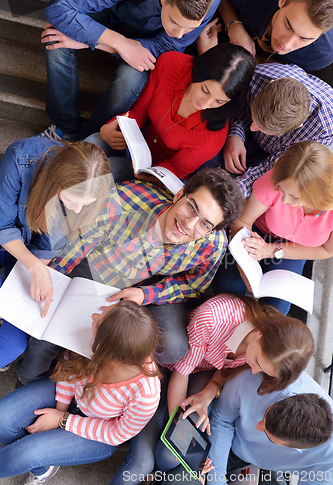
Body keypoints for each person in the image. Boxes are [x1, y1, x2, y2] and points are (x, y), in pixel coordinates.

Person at [15, 167, 244, 386]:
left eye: (204, 224)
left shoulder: (213, 244)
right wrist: (53, 281)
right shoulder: (123, 201)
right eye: (191, 207)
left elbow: (193, 285)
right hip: (104, 266)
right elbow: (80, 243)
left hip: (152, 285)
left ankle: (98, 361)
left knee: (173, 347)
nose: (189, 224)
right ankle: (30, 380)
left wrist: (147, 294)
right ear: (180, 195)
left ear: (212, 230)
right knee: (56, 321)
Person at [121, 293, 314, 480]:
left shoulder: (262, 350)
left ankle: (156, 476)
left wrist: (208, 393)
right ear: (260, 335)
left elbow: (224, 370)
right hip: (162, 368)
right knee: (141, 464)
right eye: (256, 363)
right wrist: (179, 426)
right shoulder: (214, 317)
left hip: (196, 372)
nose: (254, 372)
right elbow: (182, 372)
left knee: (173, 456)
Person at [0, 301, 161, 485]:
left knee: (26, 453)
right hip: (72, 395)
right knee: (2, 419)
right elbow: (69, 372)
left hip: (100, 433)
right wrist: (60, 411)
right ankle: (42, 467)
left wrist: (64, 420)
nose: (93, 318)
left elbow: (116, 434)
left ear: (109, 351)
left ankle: (37, 459)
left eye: (98, 322)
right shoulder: (95, 339)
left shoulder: (146, 394)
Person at [39, 0, 222, 140]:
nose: (181, 33)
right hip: (111, 14)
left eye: (191, 28)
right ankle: (66, 130)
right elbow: (59, 7)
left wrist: (95, 42)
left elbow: (168, 47)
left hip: (150, 45)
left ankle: (89, 140)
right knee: (55, 40)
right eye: (174, 21)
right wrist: (115, 42)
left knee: (129, 82)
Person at [0, 137, 110, 371]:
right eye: (71, 200)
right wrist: (34, 266)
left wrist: (35, 274)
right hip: (9, 243)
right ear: (56, 183)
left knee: (14, 346)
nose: (77, 209)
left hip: (23, 255)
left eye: (85, 204)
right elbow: (2, 226)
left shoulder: (84, 199)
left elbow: (47, 246)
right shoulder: (20, 159)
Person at [87, 44, 255, 182]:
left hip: (156, 172)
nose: (205, 104)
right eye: (205, 90)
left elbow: (175, 170)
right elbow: (138, 113)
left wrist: (145, 175)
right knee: (92, 143)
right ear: (199, 71)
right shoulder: (172, 64)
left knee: (109, 171)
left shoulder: (213, 136)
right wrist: (109, 128)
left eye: (219, 101)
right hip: (133, 142)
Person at [214, 141, 333, 315]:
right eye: (281, 190)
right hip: (256, 233)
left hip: (296, 251)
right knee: (228, 287)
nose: (284, 201)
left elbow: (326, 250)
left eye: (294, 197)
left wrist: (272, 250)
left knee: (277, 309)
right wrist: (245, 269)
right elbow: (243, 221)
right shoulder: (279, 177)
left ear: (319, 195)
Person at [163, 369, 333, 485]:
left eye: (267, 434)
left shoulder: (328, 461)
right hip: (219, 438)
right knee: (179, 480)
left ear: (297, 448)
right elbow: (222, 420)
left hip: (258, 466)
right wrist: (217, 480)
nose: (258, 427)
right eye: (265, 415)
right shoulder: (260, 379)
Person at [221, 62, 333, 197]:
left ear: (297, 127)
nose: (253, 127)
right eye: (255, 120)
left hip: (280, 157)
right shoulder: (258, 76)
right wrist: (235, 134)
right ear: (270, 84)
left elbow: (275, 169)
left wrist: (228, 196)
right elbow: (239, 108)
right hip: (242, 131)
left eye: (262, 127)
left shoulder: (322, 132)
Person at [217, 0, 333, 86]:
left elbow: (290, 69)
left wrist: (253, 60)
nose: (286, 43)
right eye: (288, 25)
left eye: (304, 39)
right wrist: (233, 24)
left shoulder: (322, 54)